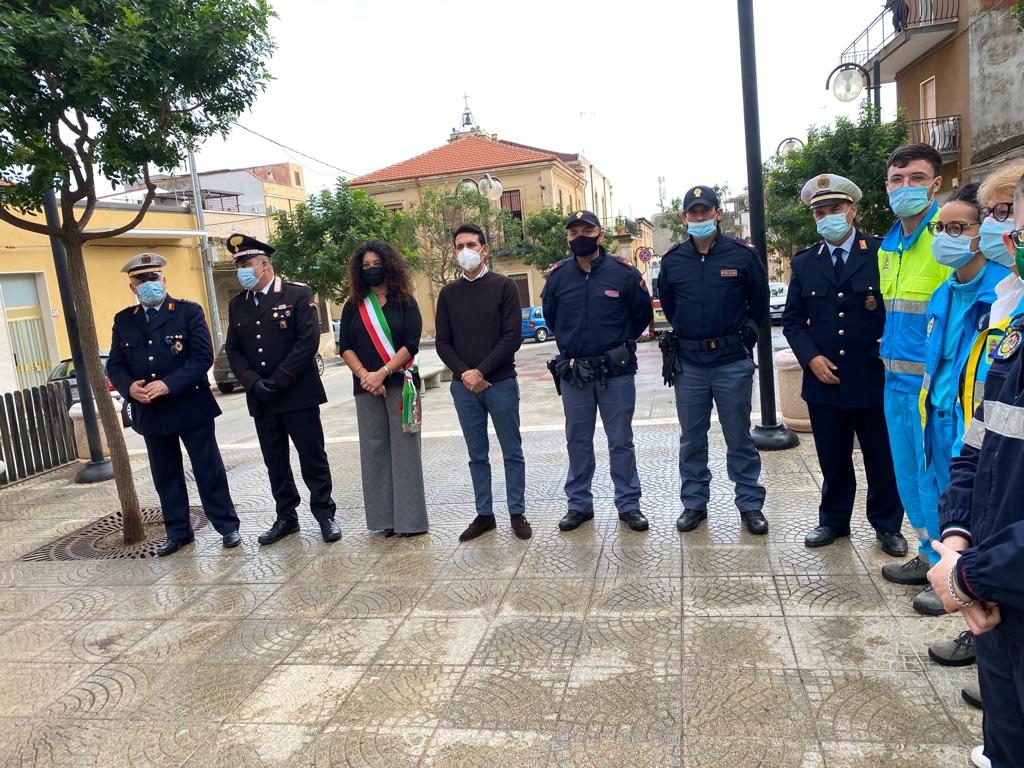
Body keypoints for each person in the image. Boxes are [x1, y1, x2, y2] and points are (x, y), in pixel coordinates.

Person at [928, 174, 1024, 768]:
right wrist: (958, 540)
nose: (1007, 233)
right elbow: (979, 442)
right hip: (995, 596)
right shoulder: (1011, 325)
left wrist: (967, 578)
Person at [782, 174, 906, 556]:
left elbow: (896, 311)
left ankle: (887, 526)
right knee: (833, 459)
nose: (827, 217)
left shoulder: (882, 252)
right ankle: (834, 521)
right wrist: (811, 357)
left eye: (834, 209)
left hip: (871, 376)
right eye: (820, 212)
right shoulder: (804, 263)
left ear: (852, 210)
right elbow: (792, 321)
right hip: (824, 381)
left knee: (881, 458)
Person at [912, 183, 1011, 617]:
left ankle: (974, 597)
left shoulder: (1002, 295)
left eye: (958, 227)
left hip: (979, 421)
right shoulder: (944, 293)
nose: (946, 237)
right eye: (941, 227)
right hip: (938, 414)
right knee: (944, 498)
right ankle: (946, 572)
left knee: (981, 514)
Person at [107, 253, 240, 556]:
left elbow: (202, 357)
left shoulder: (187, 312)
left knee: (209, 470)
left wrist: (169, 384)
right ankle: (178, 532)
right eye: (141, 279)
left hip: (190, 405)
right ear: (132, 286)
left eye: (154, 277)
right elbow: (115, 364)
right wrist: (129, 388)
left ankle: (227, 526)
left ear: (164, 280)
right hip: (151, 411)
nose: (148, 283)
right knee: (165, 476)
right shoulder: (124, 320)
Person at [657, 185, 769, 535]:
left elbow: (760, 303)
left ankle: (750, 504)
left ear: (718, 214)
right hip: (689, 363)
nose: (700, 217)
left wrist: (746, 333)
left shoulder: (741, 255)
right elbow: (670, 306)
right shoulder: (673, 260)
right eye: (694, 212)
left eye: (706, 211)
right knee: (692, 438)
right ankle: (694, 503)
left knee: (738, 436)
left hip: (731, 361)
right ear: (684, 217)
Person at [224, 233, 340, 545]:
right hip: (261, 398)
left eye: (245, 264)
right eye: (238, 265)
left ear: (263, 264)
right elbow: (233, 350)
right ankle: (286, 517)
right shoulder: (239, 305)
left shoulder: (297, 294)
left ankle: (325, 514)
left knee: (311, 456)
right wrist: (252, 382)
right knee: (275, 461)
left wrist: (280, 379)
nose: (241, 270)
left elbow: (307, 341)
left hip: (297, 393)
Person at [541, 210, 653, 532]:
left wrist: (618, 343)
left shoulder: (623, 273)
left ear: (600, 235)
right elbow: (552, 318)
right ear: (568, 238)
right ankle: (579, 505)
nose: (579, 236)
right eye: (573, 232)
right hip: (575, 373)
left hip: (614, 373)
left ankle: (629, 504)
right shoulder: (558, 277)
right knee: (577, 441)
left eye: (586, 230)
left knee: (621, 441)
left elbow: (641, 314)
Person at [876, 144, 951, 591]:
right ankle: (925, 554)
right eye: (897, 180)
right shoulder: (890, 244)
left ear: (935, 184)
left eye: (917, 179)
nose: (906, 188)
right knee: (907, 475)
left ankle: (948, 567)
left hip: (933, 388)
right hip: (894, 383)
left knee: (937, 480)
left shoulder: (945, 237)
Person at [435, 224, 530, 542]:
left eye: (471, 244)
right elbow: (443, 343)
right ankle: (484, 514)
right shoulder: (448, 294)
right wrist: (465, 374)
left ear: (484, 248)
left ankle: (517, 512)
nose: (466, 251)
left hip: (500, 383)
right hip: (464, 388)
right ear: (454, 252)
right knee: (477, 454)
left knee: (511, 451)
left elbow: (511, 337)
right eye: (459, 245)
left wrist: (481, 372)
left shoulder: (504, 287)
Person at [339, 239, 428, 537]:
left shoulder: (406, 301)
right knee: (374, 452)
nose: (372, 269)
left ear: (388, 265)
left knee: (405, 450)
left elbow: (411, 344)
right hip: (366, 387)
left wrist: (383, 372)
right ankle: (384, 521)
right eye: (366, 266)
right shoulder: (353, 306)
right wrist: (366, 375)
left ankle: (410, 522)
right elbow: (346, 347)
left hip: (400, 385)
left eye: (376, 264)